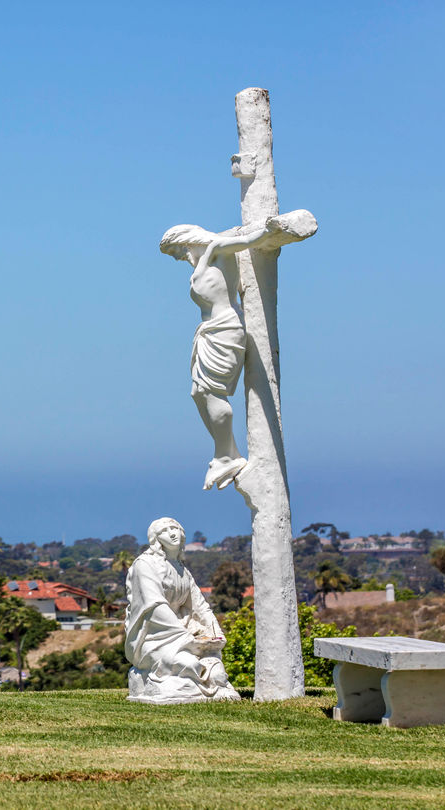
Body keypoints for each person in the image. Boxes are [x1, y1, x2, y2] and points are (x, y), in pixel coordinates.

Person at [158, 212, 315, 490]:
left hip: (226, 328)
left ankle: (224, 456)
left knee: (211, 391)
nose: (178, 257)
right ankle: (227, 453)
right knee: (198, 393)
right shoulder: (207, 259)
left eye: (177, 251)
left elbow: (247, 240)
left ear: (187, 241)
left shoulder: (216, 249)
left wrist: (270, 232)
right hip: (208, 332)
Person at [125, 517, 239, 704]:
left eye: (175, 528)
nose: (172, 533)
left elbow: (200, 606)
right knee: (188, 663)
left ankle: (214, 686)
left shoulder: (182, 570)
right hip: (153, 636)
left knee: (216, 668)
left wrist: (215, 633)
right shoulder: (144, 565)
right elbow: (155, 607)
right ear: (155, 538)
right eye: (164, 530)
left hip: (183, 631)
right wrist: (186, 638)